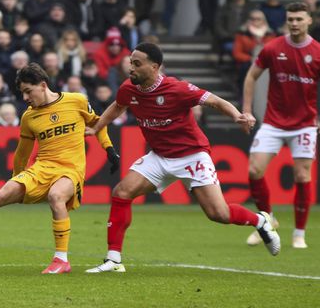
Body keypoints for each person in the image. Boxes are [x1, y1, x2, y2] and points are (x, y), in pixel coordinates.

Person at [84, 42, 280, 274]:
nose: (131, 69)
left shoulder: (178, 89)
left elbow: (216, 101)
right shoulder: (129, 89)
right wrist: (97, 128)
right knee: (122, 192)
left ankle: (260, 221)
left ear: (154, 67)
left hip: (191, 156)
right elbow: (118, 107)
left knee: (218, 214)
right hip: (159, 156)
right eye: (131, 63)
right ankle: (114, 260)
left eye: (137, 64)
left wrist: (238, 115)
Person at [0, 63, 120, 274]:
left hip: (70, 169)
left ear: (43, 85)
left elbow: (98, 124)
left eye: (28, 91)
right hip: (42, 168)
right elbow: (22, 152)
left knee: (56, 196)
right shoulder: (29, 116)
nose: (25, 97)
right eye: (22, 93)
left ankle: (61, 260)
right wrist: (16, 180)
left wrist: (109, 149)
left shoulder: (77, 101)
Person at [243, 2, 320, 250]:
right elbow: (251, 76)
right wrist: (246, 110)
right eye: (290, 19)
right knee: (254, 171)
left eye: (299, 19)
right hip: (274, 122)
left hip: (305, 124)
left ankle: (299, 233)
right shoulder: (273, 47)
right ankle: (268, 220)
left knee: (302, 175)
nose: (294, 23)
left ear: (309, 21)